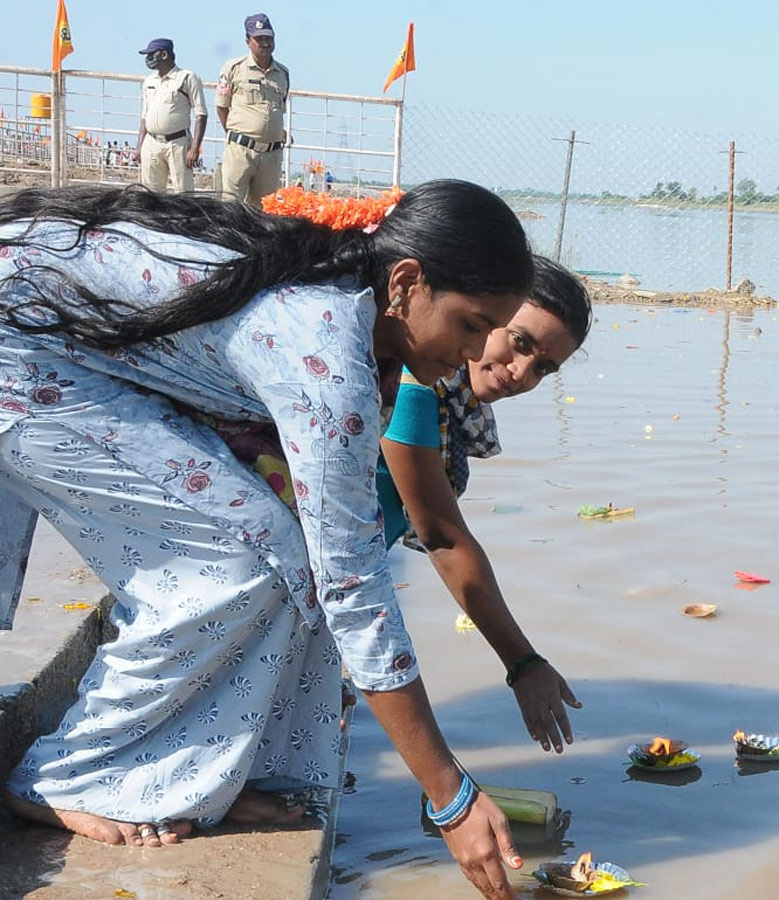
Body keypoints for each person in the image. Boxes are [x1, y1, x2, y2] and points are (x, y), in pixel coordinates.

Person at [0, 179, 536, 900]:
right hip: (21, 361)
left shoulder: (351, 297)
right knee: (238, 561)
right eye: (471, 325)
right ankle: (69, 775)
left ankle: (202, 777)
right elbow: (353, 587)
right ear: (405, 283)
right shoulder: (325, 348)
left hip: (50, 347)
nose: (477, 354)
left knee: (283, 552)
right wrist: (450, 796)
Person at [378, 256, 592, 752]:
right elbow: (441, 536)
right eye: (519, 342)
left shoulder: (450, 397)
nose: (521, 373)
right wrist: (522, 662)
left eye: (543, 367)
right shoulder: (414, 390)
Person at [215, 14, 289, 206]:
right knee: (231, 208)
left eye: (268, 38)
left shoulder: (283, 73)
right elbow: (222, 107)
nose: (264, 43)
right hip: (241, 151)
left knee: (264, 213)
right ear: (248, 41)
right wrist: (238, 134)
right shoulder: (233, 68)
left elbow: (279, 109)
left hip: (271, 155)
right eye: (259, 39)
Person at [134, 38, 208, 194]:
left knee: (183, 193)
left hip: (177, 143)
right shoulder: (149, 81)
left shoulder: (187, 78)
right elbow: (144, 116)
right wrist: (139, 146)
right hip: (152, 142)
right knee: (150, 194)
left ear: (164, 54)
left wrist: (194, 148)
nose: (148, 59)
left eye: (151, 55)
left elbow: (201, 114)